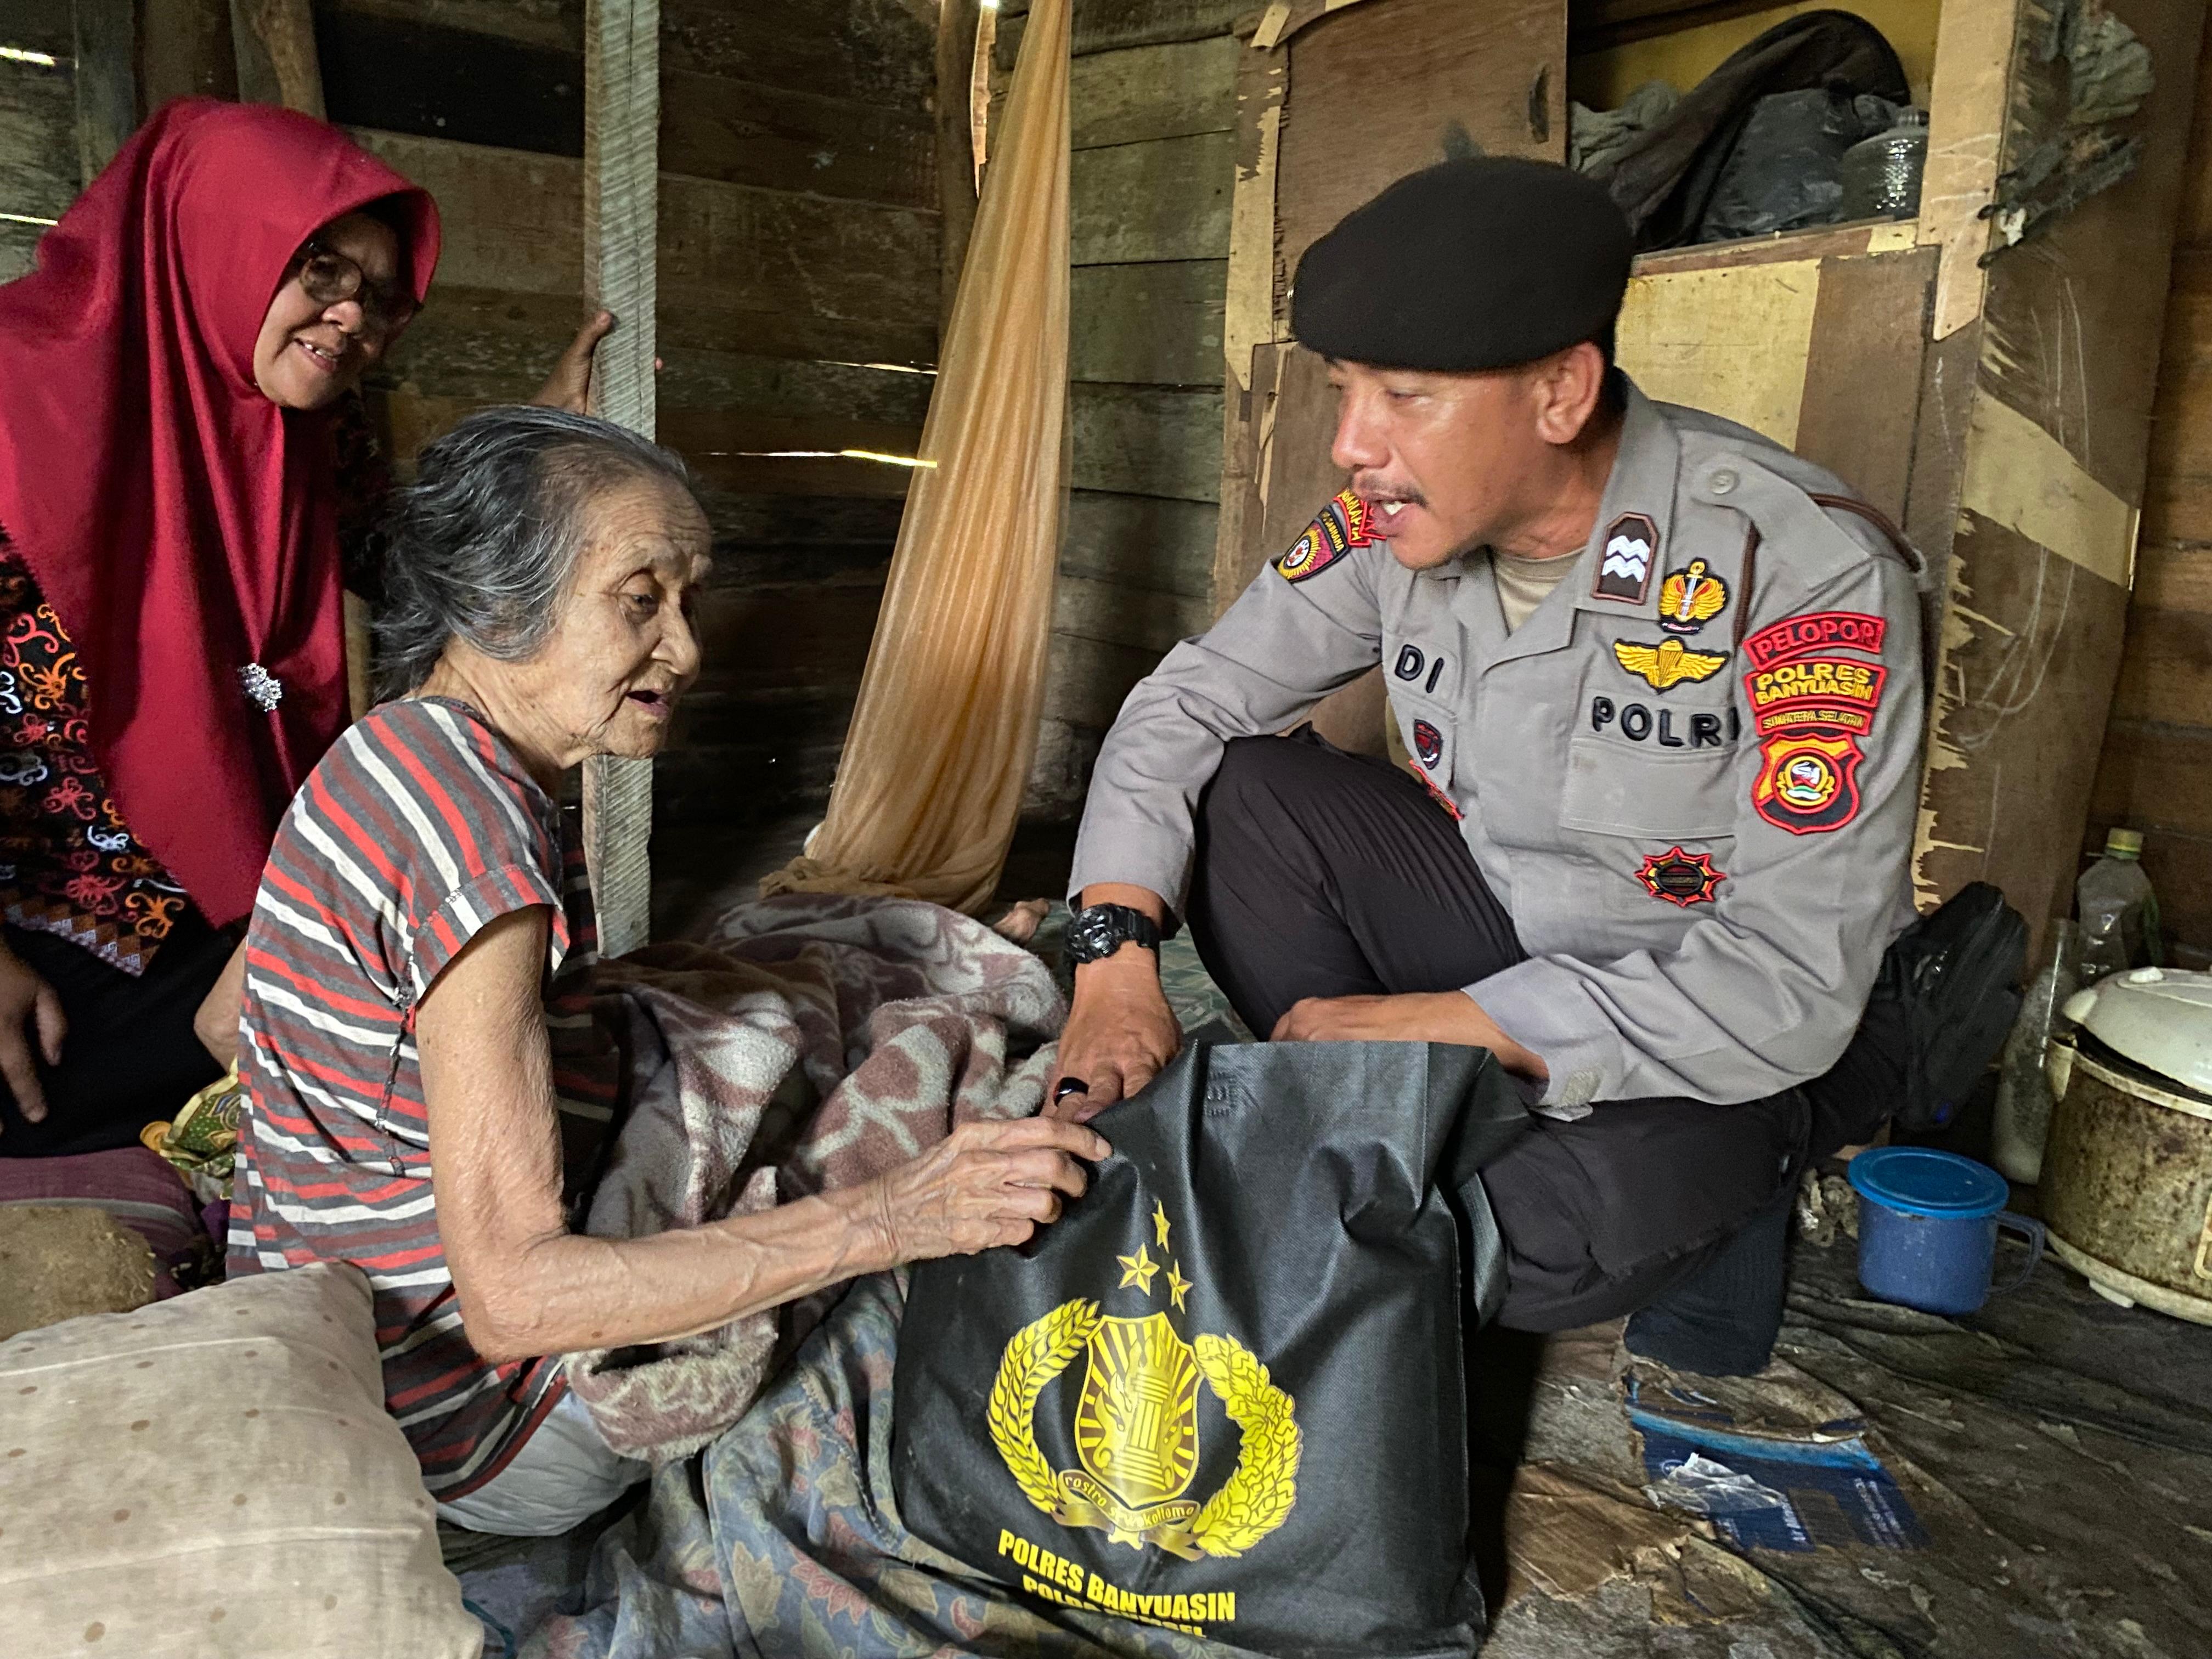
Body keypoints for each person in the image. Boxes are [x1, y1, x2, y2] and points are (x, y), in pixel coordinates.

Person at [1046, 157, 2006, 1376]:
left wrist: (1445, 1025)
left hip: (1706, 1030)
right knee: (1246, 789)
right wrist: (1113, 960)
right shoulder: (1392, 529)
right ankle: (1393, 1121)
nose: (1351, 445)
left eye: (1404, 397)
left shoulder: (1797, 569)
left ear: (1561, 392)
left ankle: (1740, 1152)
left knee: (1511, 1240)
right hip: (1502, 925)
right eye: (1345, 392)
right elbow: (1189, 700)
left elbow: (1787, 978)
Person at [227, 407, 1107, 1532]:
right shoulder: (468, 833)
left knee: (785, 969)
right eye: (640, 600)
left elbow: (231, 1022)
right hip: (475, 1422)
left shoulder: (393, 747)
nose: (685, 648)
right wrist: (899, 1215)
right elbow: (513, 1299)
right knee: (892, 1073)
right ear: (500, 605)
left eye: (686, 601)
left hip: (343, 1344)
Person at [0, 99, 614, 1158]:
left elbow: (414, 567)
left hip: (235, 889)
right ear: (219, 237)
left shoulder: (309, 432)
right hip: (50, 918)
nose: (354, 319)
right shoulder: (15, 402)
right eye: (321, 271)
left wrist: (541, 455)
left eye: (380, 298)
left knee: (471, 1032)